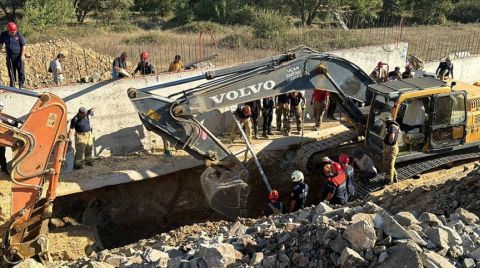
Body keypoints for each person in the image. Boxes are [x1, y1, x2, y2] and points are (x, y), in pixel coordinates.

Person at [0, 22, 26, 88]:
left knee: (21, 71)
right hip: (10, 57)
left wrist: (22, 55)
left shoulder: (18, 35)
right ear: (8, 30)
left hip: (18, 56)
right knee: (11, 71)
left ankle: (21, 84)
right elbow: (0, 43)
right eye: (12, 32)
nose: (13, 33)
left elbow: (23, 45)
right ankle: (13, 85)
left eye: (14, 31)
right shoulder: (3, 34)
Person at [0, 101, 19, 175]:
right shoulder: (3, 117)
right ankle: (4, 170)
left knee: (1, 156)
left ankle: (4, 170)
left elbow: (14, 122)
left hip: (1, 140)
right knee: (1, 156)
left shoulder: (3, 117)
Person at [380, 112, 400, 184]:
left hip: (390, 148)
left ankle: (389, 181)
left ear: (385, 120)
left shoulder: (392, 126)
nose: (382, 122)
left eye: (382, 121)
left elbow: (392, 137)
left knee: (389, 166)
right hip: (390, 147)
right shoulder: (392, 125)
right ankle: (394, 178)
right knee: (390, 164)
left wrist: (388, 143)